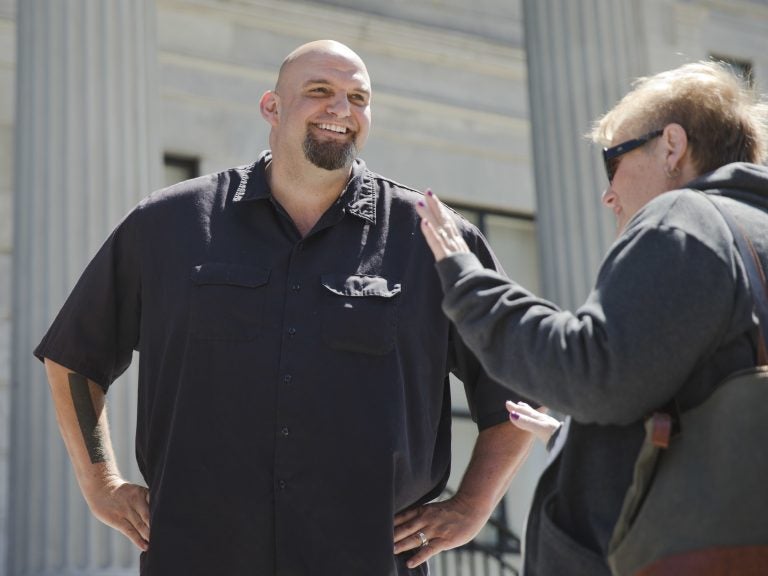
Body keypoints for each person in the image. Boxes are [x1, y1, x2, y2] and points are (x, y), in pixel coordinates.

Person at [34, 40, 534, 575]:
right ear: (271, 107)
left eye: (358, 98)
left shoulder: (433, 237)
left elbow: (520, 384)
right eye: (319, 91)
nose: (341, 110)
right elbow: (76, 355)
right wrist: (103, 485)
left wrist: (472, 506)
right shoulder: (168, 225)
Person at [415, 61, 768, 575]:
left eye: (613, 162)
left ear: (672, 146)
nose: (607, 194)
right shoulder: (752, 234)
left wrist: (467, 280)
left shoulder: (684, 220)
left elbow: (593, 373)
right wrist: (576, 442)